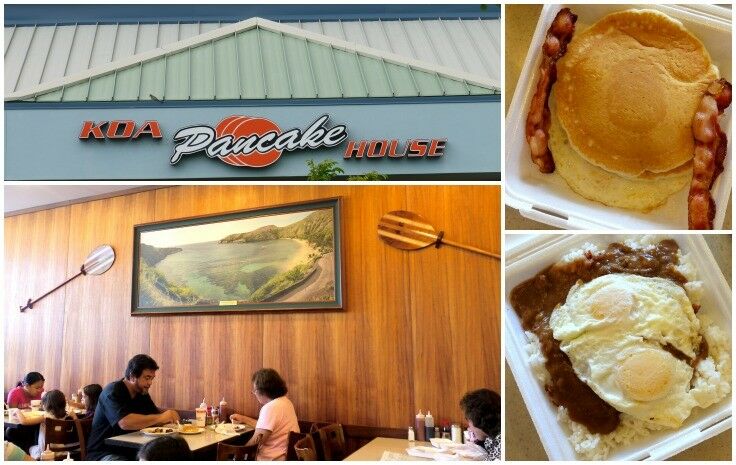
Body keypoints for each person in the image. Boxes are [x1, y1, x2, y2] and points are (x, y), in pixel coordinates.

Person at [85, 354, 180, 461]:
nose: (150, 383)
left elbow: (155, 417)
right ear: (132, 376)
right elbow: (125, 423)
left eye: (152, 378)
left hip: (131, 450)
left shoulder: (142, 394)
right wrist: (162, 417)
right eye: (147, 378)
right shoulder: (112, 391)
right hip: (104, 453)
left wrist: (169, 416)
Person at [230, 368, 299, 461]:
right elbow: (266, 427)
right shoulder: (285, 402)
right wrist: (242, 418)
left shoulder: (270, 408)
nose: (254, 393)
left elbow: (256, 441)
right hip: (287, 458)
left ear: (261, 390)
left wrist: (237, 455)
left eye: (254, 390)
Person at [14, 390, 77, 460]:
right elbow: (77, 425)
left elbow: (24, 421)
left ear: (47, 405)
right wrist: (74, 416)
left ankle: (35, 458)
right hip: (61, 450)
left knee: (29, 447)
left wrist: (17, 411)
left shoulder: (46, 417)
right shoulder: (67, 415)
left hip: (46, 451)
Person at [459, 388, 501, 461]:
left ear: (477, 419)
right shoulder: (491, 438)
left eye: (468, 420)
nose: (469, 427)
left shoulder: (501, 449)